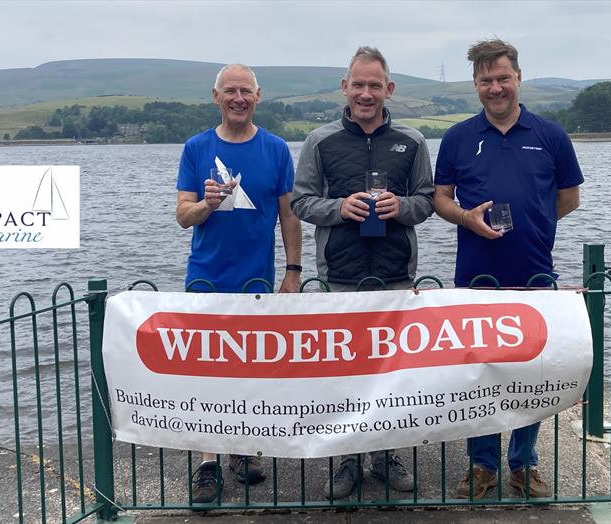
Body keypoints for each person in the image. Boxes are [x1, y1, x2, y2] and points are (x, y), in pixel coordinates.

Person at [434, 38, 583, 499]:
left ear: (518, 78)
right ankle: (482, 467)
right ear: (475, 85)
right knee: (477, 374)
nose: (495, 88)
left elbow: (569, 198)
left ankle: (523, 465)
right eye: (485, 80)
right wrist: (466, 219)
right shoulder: (459, 136)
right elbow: (441, 198)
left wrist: (534, 222)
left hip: (536, 275)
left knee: (532, 374)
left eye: (502, 78)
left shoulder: (551, 135)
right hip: (475, 277)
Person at [291, 46, 434, 499]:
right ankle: (346, 458)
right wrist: (339, 207)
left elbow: (428, 200)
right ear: (345, 87)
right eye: (359, 85)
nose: (366, 93)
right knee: (343, 373)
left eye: (375, 85)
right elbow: (300, 202)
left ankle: (385, 454)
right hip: (340, 277)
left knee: (391, 373)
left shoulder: (412, 141)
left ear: (389, 89)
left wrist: (403, 206)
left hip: (395, 276)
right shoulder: (319, 140)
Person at [176, 63, 302, 503]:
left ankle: (245, 451)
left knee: (251, 371)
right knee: (206, 375)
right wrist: (206, 205)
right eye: (230, 91)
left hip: (257, 282)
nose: (238, 98)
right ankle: (208, 463)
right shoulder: (196, 148)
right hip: (206, 281)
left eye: (245, 91)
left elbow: (289, 215)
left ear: (258, 95)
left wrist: (293, 272)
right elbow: (182, 216)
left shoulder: (276, 148)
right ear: (216, 97)